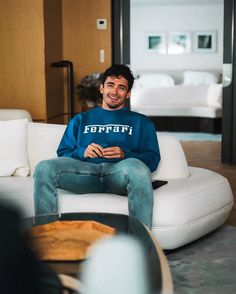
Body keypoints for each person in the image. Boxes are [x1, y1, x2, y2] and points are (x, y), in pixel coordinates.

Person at [34, 64, 160, 228]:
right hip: (84, 174)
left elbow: (152, 159)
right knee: (44, 167)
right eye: (110, 85)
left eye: (121, 88)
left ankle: (142, 244)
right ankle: (46, 237)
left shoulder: (141, 122)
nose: (114, 92)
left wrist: (126, 155)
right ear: (101, 88)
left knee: (137, 168)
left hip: (119, 175)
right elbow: (63, 152)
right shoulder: (80, 119)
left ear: (128, 94)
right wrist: (82, 152)